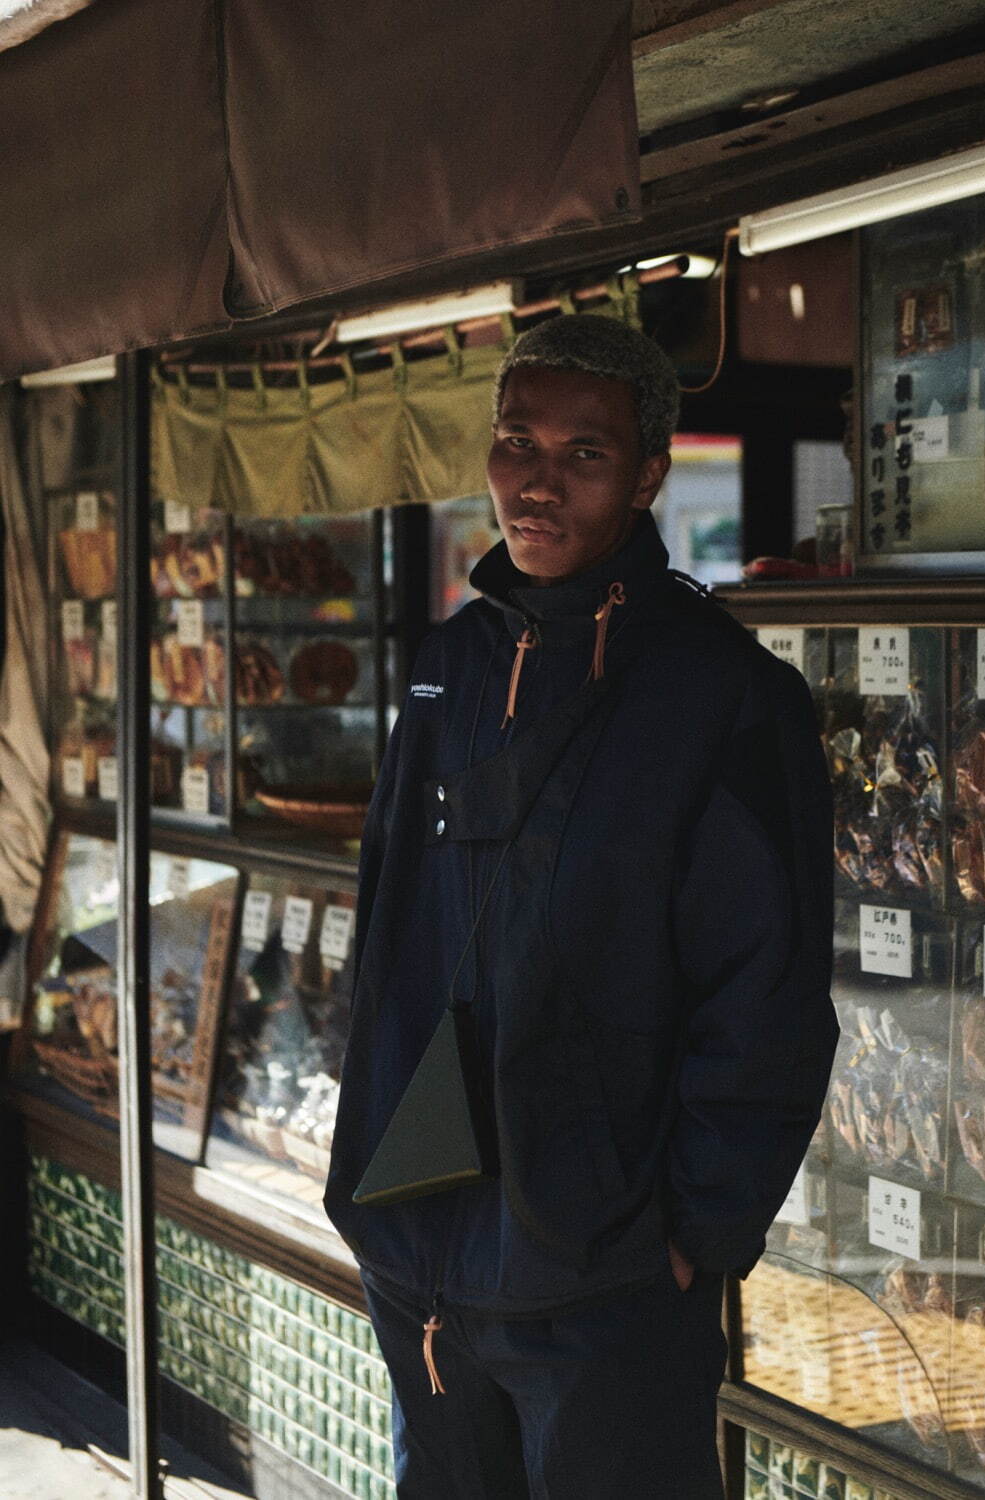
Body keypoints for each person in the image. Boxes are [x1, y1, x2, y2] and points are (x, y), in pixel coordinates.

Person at [325, 313, 838, 1499]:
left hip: (604, 1290)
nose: (537, 482)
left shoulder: (721, 696)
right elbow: (387, 932)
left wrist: (694, 1238)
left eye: (584, 454)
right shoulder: (443, 666)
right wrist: (367, 1193)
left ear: (649, 472)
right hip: (424, 1262)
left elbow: (763, 994)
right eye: (516, 443)